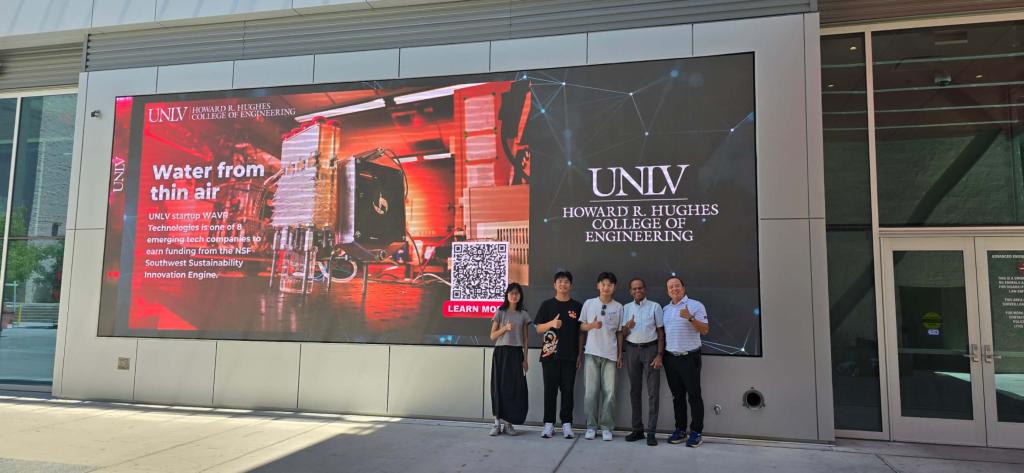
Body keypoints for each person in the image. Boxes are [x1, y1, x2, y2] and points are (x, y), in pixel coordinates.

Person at [534, 270, 584, 439]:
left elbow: (581, 332)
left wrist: (579, 354)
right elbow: (538, 328)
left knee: (568, 391)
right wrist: (551, 323)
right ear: (554, 285)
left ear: (571, 285)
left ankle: (566, 424)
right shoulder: (547, 305)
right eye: (560, 281)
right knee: (550, 391)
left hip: (570, 356)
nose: (563, 284)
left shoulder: (577, 306)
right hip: (550, 355)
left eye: (566, 281)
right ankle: (548, 424)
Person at [662, 276, 710, 447]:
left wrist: (690, 318)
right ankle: (680, 430)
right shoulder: (666, 309)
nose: (674, 289)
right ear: (668, 291)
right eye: (670, 287)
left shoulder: (696, 305)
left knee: (694, 396)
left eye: (677, 286)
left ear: (683, 287)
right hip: (670, 358)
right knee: (677, 397)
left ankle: (696, 432)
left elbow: (705, 330)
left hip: (690, 357)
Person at [617, 277, 665, 446]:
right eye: (634, 288)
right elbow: (622, 333)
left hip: (651, 350)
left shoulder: (655, 307)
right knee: (634, 391)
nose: (637, 291)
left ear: (645, 289)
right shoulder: (626, 308)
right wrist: (627, 327)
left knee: (653, 392)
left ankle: (651, 432)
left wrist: (660, 355)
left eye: (640, 288)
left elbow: (660, 332)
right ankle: (637, 429)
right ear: (630, 291)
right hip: (631, 351)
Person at [580, 272, 623, 441]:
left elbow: (619, 332)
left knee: (610, 393)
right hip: (591, 353)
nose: (606, 287)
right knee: (590, 393)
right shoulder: (589, 303)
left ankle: (606, 427)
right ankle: (591, 426)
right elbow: (581, 327)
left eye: (610, 285)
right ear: (598, 285)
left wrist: (619, 354)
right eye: (603, 284)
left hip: (610, 355)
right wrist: (592, 325)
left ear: (614, 287)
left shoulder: (618, 307)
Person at [488, 282, 531, 436]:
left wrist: (525, 359)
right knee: (498, 387)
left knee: (513, 388)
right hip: (501, 352)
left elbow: (526, 339)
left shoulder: (523, 314)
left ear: (520, 296)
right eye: (511, 293)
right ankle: (496, 423)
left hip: (516, 353)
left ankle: (509, 424)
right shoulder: (500, 312)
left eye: (517, 293)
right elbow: (492, 336)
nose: (514, 296)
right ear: (507, 295)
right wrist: (505, 328)